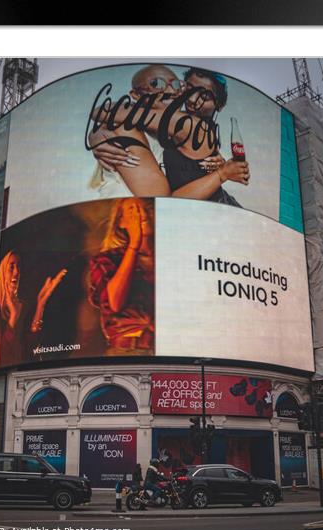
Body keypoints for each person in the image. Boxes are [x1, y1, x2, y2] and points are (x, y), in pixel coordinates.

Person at [89, 64, 249, 204]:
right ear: (136, 95)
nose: (172, 91)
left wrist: (222, 173)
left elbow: (161, 198)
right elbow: (106, 111)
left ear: (219, 105)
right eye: (157, 84)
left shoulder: (188, 125)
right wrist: (97, 134)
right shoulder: (129, 126)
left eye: (176, 85)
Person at [88, 198, 154, 355]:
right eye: (133, 211)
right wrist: (134, 244)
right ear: (121, 222)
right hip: (129, 352)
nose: (142, 214)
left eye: (149, 208)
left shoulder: (171, 258)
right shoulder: (106, 260)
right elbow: (114, 304)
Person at [0, 249, 67, 367]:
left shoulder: (21, 306)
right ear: (2, 273)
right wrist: (13, 318)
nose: (16, 272)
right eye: (11, 267)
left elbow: (28, 353)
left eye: (19, 267)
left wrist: (40, 304)